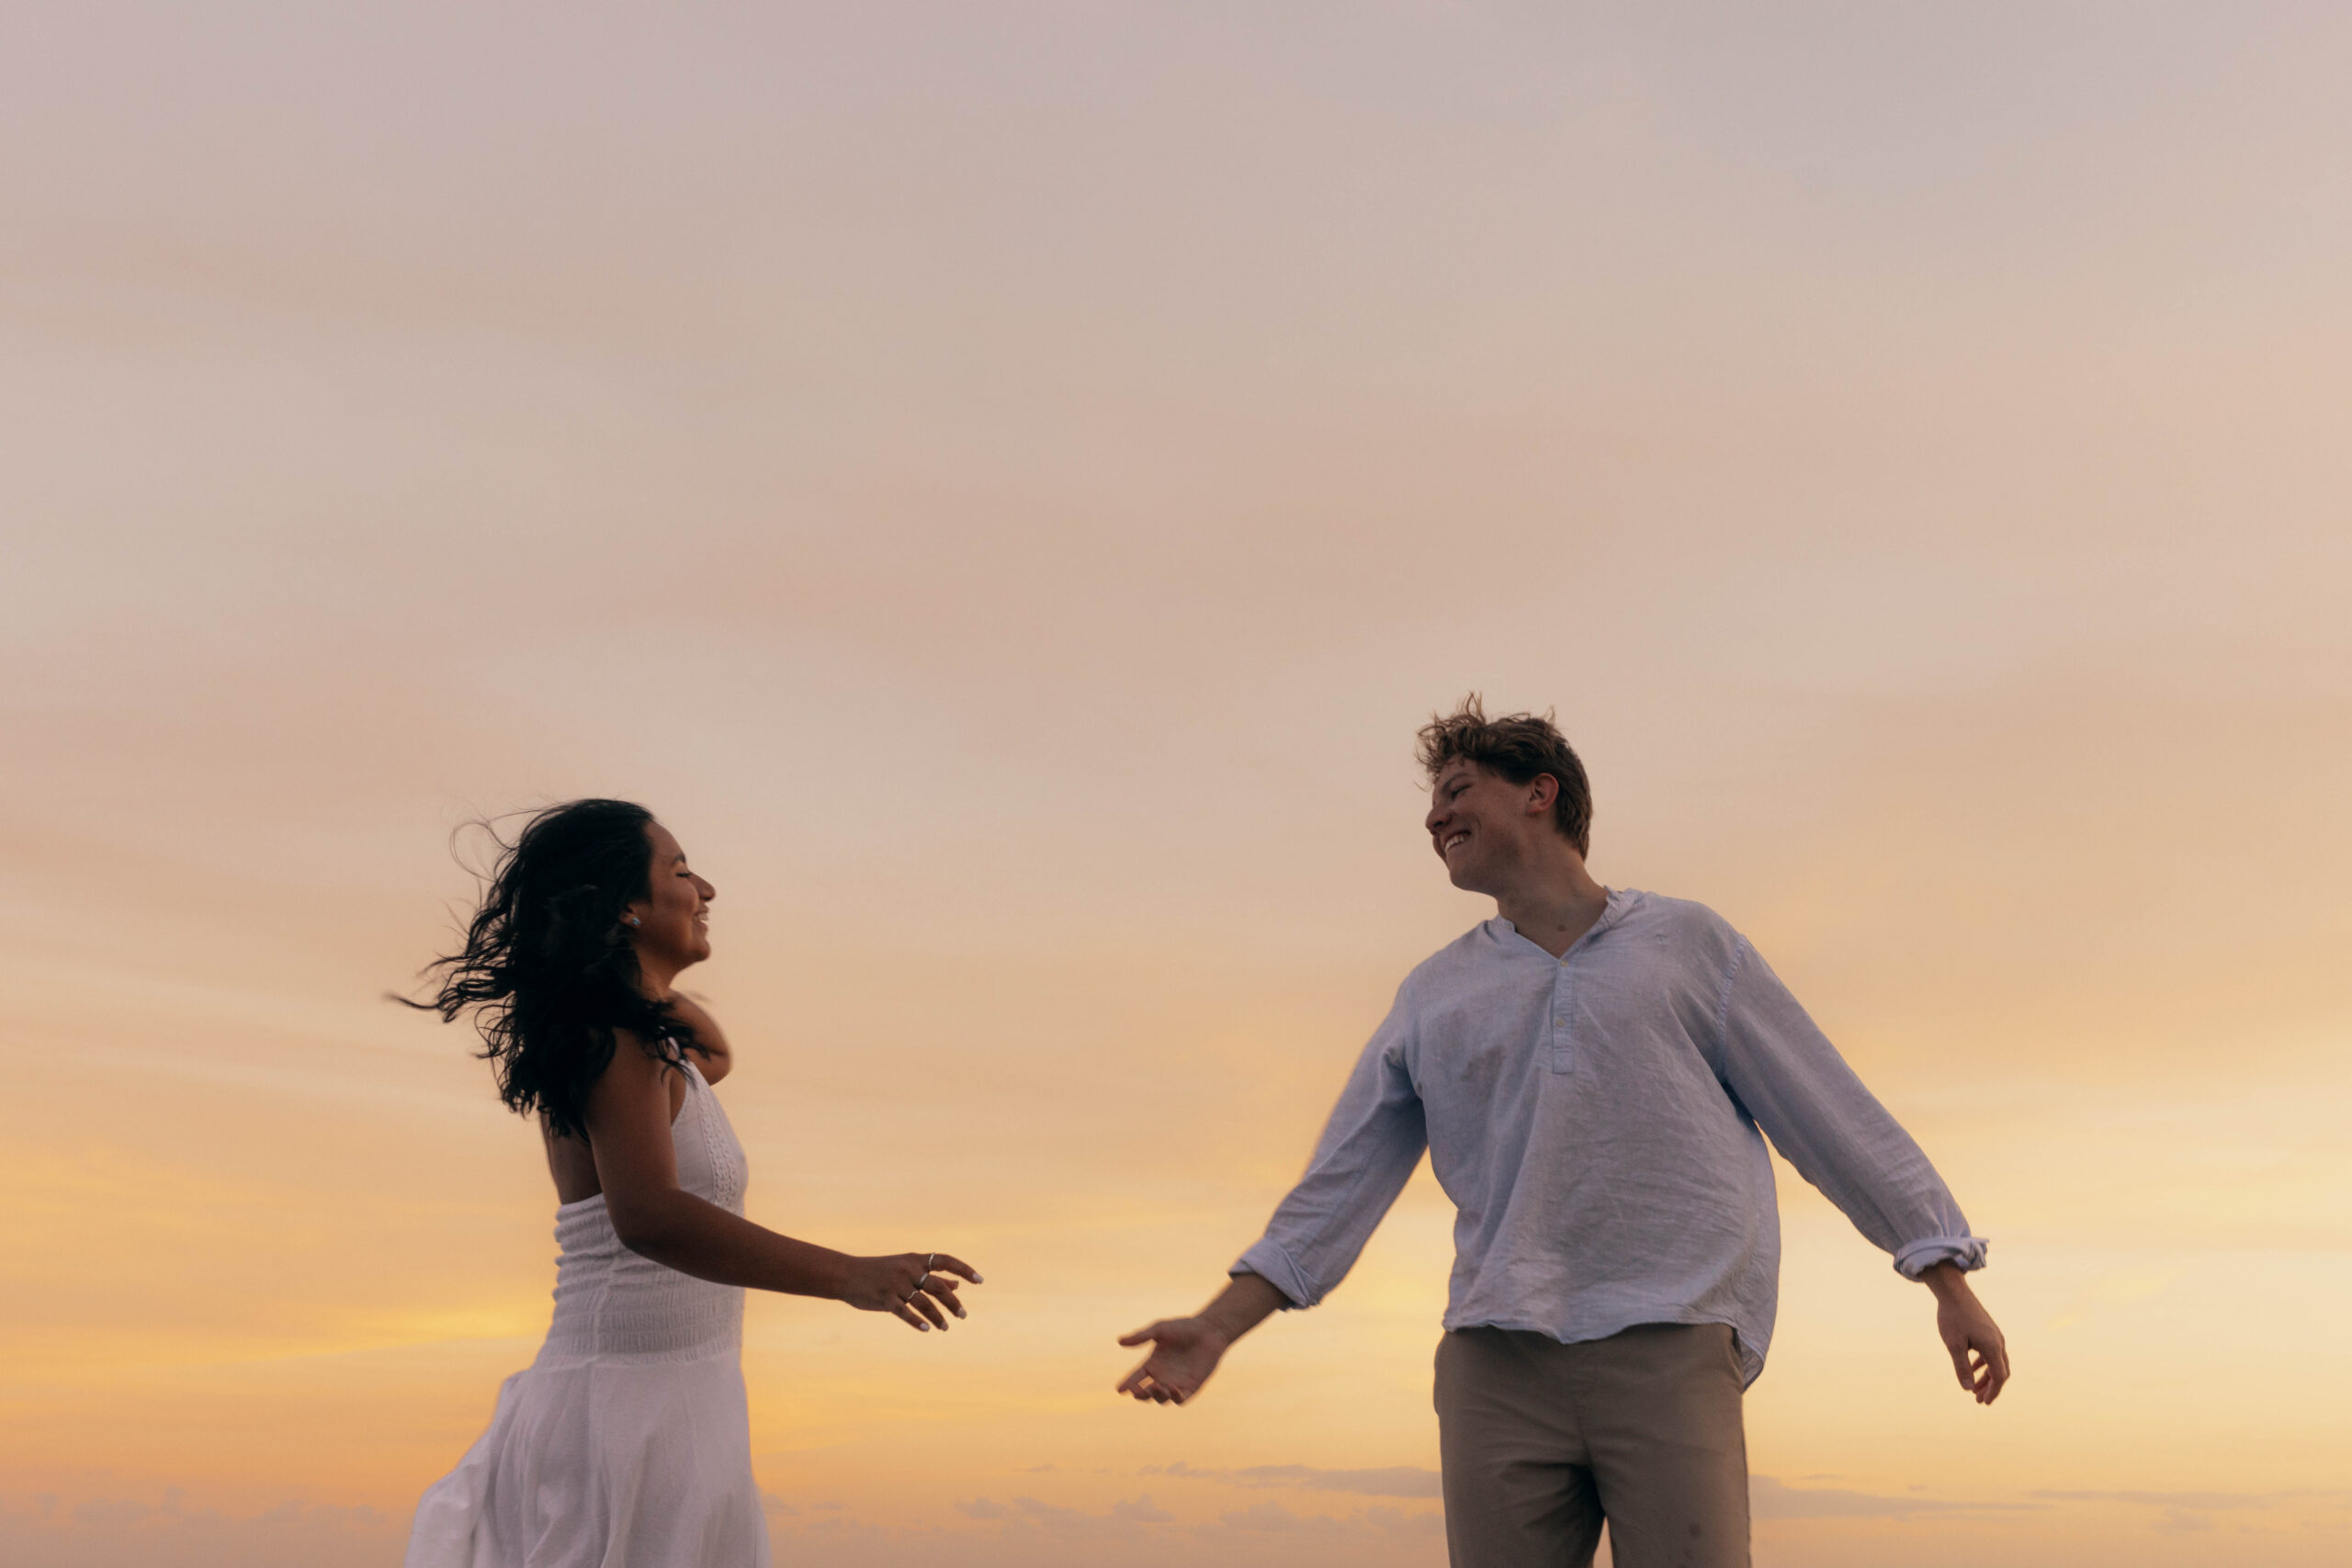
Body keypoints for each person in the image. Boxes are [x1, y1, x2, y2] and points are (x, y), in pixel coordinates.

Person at [1115, 699, 2007, 1568]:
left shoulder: (1688, 945)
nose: (1434, 816)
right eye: (1432, 801)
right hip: (1494, 1362)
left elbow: (1831, 1114)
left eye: (1458, 789)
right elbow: (1337, 1188)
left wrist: (1944, 1277)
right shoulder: (1433, 992)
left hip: (1671, 1337)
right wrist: (1217, 1327)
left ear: (1538, 794)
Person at [400, 800, 979, 1568]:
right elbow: (649, 1215)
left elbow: (716, 1050)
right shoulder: (616, 1040)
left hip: (671, 1405)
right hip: (625, 1412)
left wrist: (629, 968)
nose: (705, 888)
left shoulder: (644, 1042)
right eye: (679, 872)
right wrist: (850, 1274)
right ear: (626, 907)